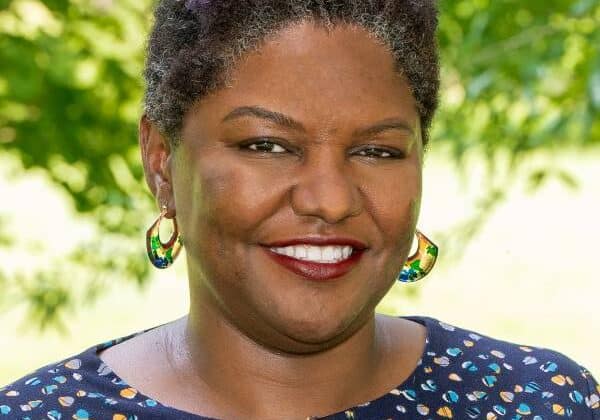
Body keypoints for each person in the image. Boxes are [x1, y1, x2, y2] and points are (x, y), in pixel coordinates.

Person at [1, 0, 598, 419]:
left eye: (376, 150)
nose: (330, 200)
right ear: (161, 162)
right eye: (267, 145)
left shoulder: (543, 402)